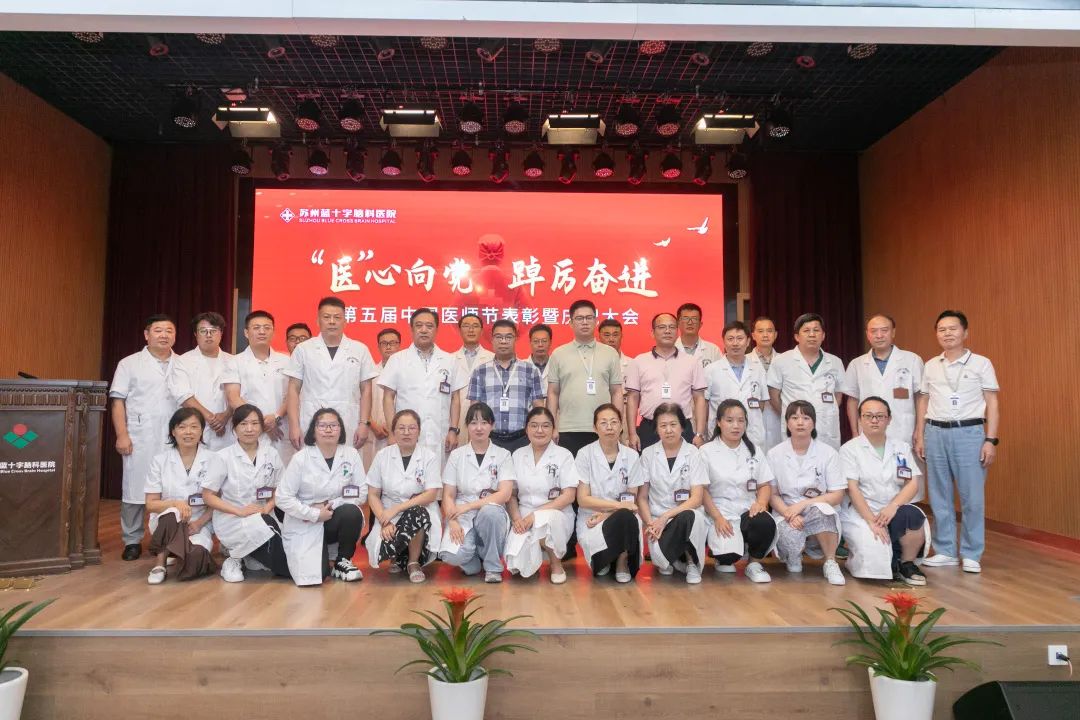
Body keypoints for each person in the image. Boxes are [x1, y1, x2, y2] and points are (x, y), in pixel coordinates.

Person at [915, 310, 1000, 574]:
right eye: (941, 329)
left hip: (969, 433)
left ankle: (972, 553)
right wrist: (920, 433)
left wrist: (991, 440)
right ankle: (945, 551)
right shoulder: (931, 365)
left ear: (965, 332)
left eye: (953, 328)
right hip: (935, 432)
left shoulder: (981, 363)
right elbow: (924, 400)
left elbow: (992, 403)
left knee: (972, 497)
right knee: (939, 495)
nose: (947, 333)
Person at [109, 313, 179, 560]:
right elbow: (118, 401)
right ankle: (132, 540)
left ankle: (168, 539)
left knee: (171, 488)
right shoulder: (129, 363)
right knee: (134, 490)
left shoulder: (182, 363)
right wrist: (122, 435)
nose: (164, 335)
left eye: (169, 331)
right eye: (158, 330)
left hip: (174, 437)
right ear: (146, 335)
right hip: (140, 436)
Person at [840, 397, 929, 586]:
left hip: (892, 508)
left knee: (913, 516)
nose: (874, 420)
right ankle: (880, 560)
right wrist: (871, 520)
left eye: (880, 416)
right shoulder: (849, 449)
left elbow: (913, 482)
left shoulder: (901, 448)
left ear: (889, 419)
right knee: (875, 560)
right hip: (862, 511)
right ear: (860, 419)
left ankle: (906, 563)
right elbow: (852, 488)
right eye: (868, 416)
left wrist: (893, 506)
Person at [276, 408, 367, 586]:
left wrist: (329, 505)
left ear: (341, 430)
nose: (328, 429)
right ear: (313, 431)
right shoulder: (301, 458)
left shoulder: (351, 455)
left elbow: (360, 491)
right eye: (323, 425)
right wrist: (313, 513)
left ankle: (342, 560)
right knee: (318, 575)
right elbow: (282, 497)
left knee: (351, 512)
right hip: (305, 522)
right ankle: (326, 561)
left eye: (333, 425)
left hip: (333, 518)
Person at [201, 404, 289, 583]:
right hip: (232, 520)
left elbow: (281, 489)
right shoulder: (223, 457)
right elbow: (207, 496)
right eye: (243, 424)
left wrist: (267, 508)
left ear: (262, 427)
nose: (249, 429)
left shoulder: (271, 454)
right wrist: (239, 511)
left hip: (264, 515)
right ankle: (234, 558)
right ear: (234, 428)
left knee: (270, 563)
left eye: (255, 423)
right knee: (286, 565)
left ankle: (245, 555)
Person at [767, 400, 847, 585]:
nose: (800, 422)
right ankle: (794, 557)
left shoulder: (828, 453)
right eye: (794, 418)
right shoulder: (774, 454)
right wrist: (789, 514)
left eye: (806, 418)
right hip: (786, 512)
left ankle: (830, 561)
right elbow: (772, 494)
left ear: (814, 423)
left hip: (815, 509)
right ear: (787, 423)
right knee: (790, 540)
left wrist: (803, 504)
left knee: (823, 511)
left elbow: (837, 494)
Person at [629, 402, 709, 584]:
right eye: (663, 425)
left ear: (682, 426)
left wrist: (666, 517)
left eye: (673, 424)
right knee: (662, 563)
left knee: (689, 516)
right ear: (656, 429)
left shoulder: (694, 453)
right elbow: (642, 497)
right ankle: (672, 558)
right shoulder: (648, 454)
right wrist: (650, 523)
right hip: (657, 521)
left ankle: (691, 562)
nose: (669, 430)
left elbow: (697, 498)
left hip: (683, 515)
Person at [285, 296, 377, 453]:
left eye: (337, 317)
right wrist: (294, 426)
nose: (332, 322)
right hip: (311, 419)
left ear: (345, 321)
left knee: (346, 463)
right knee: (312, 463)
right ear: (318, 320)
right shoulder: (303, 349)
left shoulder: (360, 349)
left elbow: (366, 390)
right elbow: (293, 389)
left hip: (348, 420)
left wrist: (364, 424)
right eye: (326, 317)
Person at [700, 400, 777, 583]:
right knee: (728, 558)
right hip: (718, 512)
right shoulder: (706, 451)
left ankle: (754, 563)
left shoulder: (754, 450)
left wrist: (761, 503)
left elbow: (764, 485)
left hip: (746, 509)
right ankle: (722, 557)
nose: (736, 426)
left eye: (741, 420)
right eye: (729, 420)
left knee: (765, 523)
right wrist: (717, 517)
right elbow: (702, 490)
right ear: (719, 423)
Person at [439, 402, 515, 583]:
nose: (479, 428)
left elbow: (505, 494)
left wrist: (469, 506)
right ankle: (474, 557)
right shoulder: (457, 456)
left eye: (484, 422)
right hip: (461, 515)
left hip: (490, 514)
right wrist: (452, 520)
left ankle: (492, 567)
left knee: (490, 512)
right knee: (450, 555)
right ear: (467, 426)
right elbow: (448, 495)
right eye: (473, 423)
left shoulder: (503, 455)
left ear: (492, 425)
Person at [380, 308, 467, 464]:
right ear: (412, 329)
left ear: (436, 329)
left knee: (439, 474)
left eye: (429, 326)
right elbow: (388, 397)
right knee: (406, 473)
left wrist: (453, 430)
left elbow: (455, 398)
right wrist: (393, 433)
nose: (424, 330)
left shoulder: (450, 360)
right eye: (419, 325)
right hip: (406, 433)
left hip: (440, 434)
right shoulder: (397, 359)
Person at [364, 410, 443, 583]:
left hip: (418, 512)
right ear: (393, 431)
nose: (406, 432)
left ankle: (413, 562)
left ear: (419, 431)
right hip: (388, 513)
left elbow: (431, 495)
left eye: (411, 428)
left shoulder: (429, 457)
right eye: (401, 428)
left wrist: (397, 509)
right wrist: (385, 521)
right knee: (383, 545)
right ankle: (397, 557)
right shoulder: (382, 456)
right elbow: (373, 494)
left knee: (417, 512)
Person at [143, 408, 220, 584]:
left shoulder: (214, 459)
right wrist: (175, 503)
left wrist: (199, 523)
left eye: (194, 427)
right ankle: (160, 563)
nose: (188, 432)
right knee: (172, 513)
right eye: (182, 427)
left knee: (196, 559)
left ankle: (177, 551)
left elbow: (218, 501)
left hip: (198, 524)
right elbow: (151, 504)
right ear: (173, 431)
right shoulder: (160, 461)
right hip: (166, 522)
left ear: (201, 431)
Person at [505, 407, 580, 584]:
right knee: (519, 569)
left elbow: (569, 496)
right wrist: (516, 519)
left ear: (553, 429)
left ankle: (556, 564)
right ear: (526, 429)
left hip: (557, 514)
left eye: (546, 426)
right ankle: (535, 557)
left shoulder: (564, 455)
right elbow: (512, 494)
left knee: (546, 521)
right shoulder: (517, 455)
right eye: (534, 425)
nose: (540, 430)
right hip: (523, 514)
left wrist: (535, 516)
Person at [547, 299, 625, 456]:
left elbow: (616, 392)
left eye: (589, 318)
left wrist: (617, 425)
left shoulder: (610, 353)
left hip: (604, 428)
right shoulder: (558, 354)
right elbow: (553, 393)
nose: (584, 322)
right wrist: (553, 426)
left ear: (596, 321)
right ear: (571, 323)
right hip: (568, 428)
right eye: (579, 318)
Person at [575, 404, 642, 582]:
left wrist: (608, 514)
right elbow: (583, 499)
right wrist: (619, 506)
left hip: (621, 516)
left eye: (614, 422)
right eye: (603, 423)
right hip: (591, 517)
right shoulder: (584, 454)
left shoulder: (632, 456)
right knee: (600, 568)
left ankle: (622, 561)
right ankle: (604, 560)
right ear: (595, 428)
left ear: (621, 426)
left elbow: (631, 500)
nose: (609, 427)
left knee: (626, 518)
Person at [625, 312, 708, 451]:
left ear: (677, 331)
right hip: (650, 427)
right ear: (652, 333)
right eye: (662, 327)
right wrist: (632, 433)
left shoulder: (692, 362)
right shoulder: (639, 361)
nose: (667, 331)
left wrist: (699, 433)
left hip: (682, 427)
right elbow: (633, 398)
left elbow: (699, 398)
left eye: (672, 327)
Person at [844, 314, 925, 454]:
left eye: (884, 330)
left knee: (903, 466)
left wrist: (919, 430)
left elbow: (921, 397)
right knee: (870, 466)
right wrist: (855, 432)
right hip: (868, 432)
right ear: (867, 334)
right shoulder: (856, 364)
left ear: (893, 332)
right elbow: (852, 400)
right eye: (874, 331)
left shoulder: (912, 360)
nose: (879, 335)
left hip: (903, 431)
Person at [767, 313, 846, 450]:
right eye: (806, 330)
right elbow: (773, 396)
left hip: (827, 429)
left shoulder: (835, 362)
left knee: (827, 460)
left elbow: (838, 395)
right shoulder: (781, 361)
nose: (812, 334)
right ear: (797, 336)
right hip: (796, 428)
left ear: (823, 335)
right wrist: (790, 414)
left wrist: (824, 410)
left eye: (816, 330)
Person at [222, 310, 292, 463]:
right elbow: (233, 397)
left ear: (273, 332)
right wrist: (260, 422)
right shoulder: (234, 362)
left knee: (282, 472)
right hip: (249, 428)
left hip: (280, 428)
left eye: (267, 328)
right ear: (246, 333)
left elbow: (292, 395)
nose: (262, 331)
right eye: (256, 328)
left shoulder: (286, 361)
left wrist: (276, 416)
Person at [467, 319, 544, 453]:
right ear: (492, 339)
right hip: (489, 439)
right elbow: (474, 411)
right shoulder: (480, 371)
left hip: (522, 440)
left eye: (508, 337)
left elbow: (539, 408)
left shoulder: (530, 371)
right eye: (499, 337)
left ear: (515, 339)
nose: (503, 341)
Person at [168, 312, 236, 451]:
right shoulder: (182, 361)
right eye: (203, 331)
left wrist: (226, 415)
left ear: (221, 333)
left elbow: (239, 394)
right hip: (194, 426)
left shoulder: (233, 361)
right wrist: (211, 419)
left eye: (213, 330)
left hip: (227, 428)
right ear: (195, 334)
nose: (208, 335)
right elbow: (183, 395)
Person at [704, 321, 770, 447]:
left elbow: (761, 403)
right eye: (730, 339)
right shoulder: (711, 370)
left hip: (753, 434)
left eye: (740, 338)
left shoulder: (757, 368)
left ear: (748, 341)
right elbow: (704, 404)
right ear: (724, 341)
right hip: (721, 436)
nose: (735, 343)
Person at [363, 327, 401, 469]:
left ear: (399, 345)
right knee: (373, 472)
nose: (388, 347)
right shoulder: (370, 373)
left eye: (393, 343)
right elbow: (361, 401)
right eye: (384, 343)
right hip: (374, 432)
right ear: (378, 347)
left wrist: (394, 428)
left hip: (401, 433)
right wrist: (373, 425)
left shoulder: (407, 372)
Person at [748, 316, 782, 451]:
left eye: (769, 331)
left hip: (779, 418)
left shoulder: (785, 360)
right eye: (760, 331)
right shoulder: (744, 361)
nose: (765, 335)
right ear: (753, 335)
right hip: (753, 419)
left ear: (775, 335)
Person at [598, 318, 631, 443]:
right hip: (599, 412)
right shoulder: (592, 364)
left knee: (624, 448)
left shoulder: (632, 364)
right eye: (607, 335)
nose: (611, 339)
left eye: (615, 335)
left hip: (625, 413)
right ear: (599, 337)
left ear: (621, 336)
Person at [674, 302, 722, 369]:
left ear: (700, 324)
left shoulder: (713, 350)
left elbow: (720, 373)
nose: (690, 323)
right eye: (685, 318)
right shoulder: (670, 349)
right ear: (678, 323)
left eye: (694, 319)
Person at [525, 323, 553, 398]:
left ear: (550, 342)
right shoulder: (521, 366)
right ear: (530, 342)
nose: (540, 345)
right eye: (536, 341)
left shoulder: (557, 365)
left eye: (544, 341)